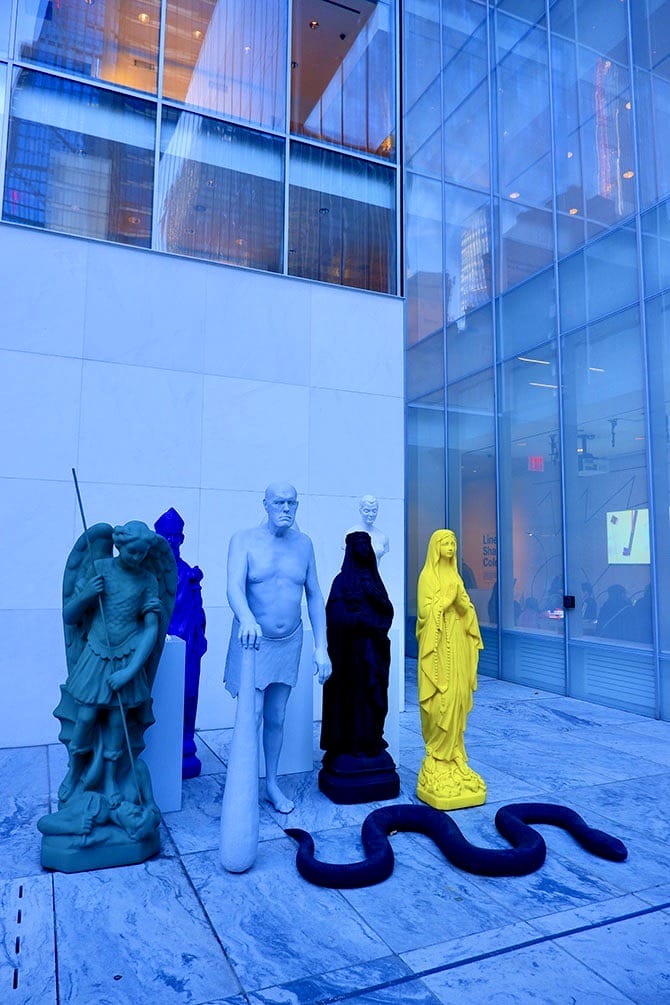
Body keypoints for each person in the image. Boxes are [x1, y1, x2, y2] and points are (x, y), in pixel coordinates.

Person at [225, 482, 331, 813]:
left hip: (289, 641)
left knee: (277, 715)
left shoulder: (304, 544)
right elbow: (233, 587)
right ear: (266, 504)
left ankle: (271, 782)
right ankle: (243, 784)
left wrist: (322, 646)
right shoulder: (243, 540)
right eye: (279, 502)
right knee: (252, 713)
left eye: (292, 503)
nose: (286, 508)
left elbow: (314, 594)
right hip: (253, 641)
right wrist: (246, 618)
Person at [57, 521, 175, 809]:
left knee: (116, 722)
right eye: (133, 551)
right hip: (96, 654)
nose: (137, 558)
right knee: (86, 716)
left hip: (127, 656)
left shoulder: (147, 580)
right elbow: (70, 617)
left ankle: (111, 780)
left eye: (143, 553)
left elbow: (151, 630)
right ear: (119, 545)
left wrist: (130, 671)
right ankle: (75, 772)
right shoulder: (100, 568)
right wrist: (86, 595)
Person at [415, 529, 486, 810]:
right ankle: (437, 757)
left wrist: (463, 606)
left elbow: (468, 610)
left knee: (457, 697)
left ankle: (454, 755)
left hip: (456, 643)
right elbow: (424, 615)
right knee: (440, 702)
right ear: (435, 547)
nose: (451, 546)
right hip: (437, 648)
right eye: (445, 543)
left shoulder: (456, 576)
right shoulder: (427, 577)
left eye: (454, 542)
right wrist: (445, 603)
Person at [321, 532, 394, 758]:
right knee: (350, 698)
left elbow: (387, 612)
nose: (362, 547)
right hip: (349, 655)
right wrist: (355, 618)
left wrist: (375, 601)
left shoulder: (374, 580)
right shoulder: (341, 582)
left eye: (366, 543)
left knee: (376, 696)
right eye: (358, 544)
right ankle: (349, 744)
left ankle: (372, 739)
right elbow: (332, 615)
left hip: (374, 651)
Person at [154, 507, 208, 778]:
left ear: (182, 538)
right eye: (167, 535)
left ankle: (185, 740)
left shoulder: (187, 572)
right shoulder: (149, 572)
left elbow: (197, 613)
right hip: (158, 648)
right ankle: (158, 743)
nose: (172, 541)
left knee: (188, 693)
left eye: (176, 535)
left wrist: (195, 588)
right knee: (160, 695)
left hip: (187, 647)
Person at [345, 494, 389, 564]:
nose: (371, 515)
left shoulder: (382, 537)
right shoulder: (350, 534)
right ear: (360, 510)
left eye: (374, 511)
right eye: (366, 511)